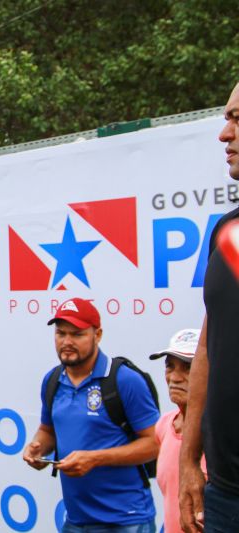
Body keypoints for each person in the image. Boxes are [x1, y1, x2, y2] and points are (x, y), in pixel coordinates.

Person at [22, 297, 159, 532]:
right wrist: (37, 448)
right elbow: (47, 430)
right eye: (60, 333)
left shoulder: (124, 380)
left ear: (98, 335)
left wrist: (95, 458)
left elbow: (155, 444)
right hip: (76, 520)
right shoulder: (53, 380)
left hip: (126, 519)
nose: (66, 341)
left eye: (77, 334)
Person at [179, 82, 239, 533]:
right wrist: (188, 460)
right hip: (223, 493)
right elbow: (208, 345)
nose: (224, 133)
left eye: (238, 119)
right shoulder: (228, 230)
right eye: (226, 118)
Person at [149, 329, 206, 533]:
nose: (174, 377)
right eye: (169, 366)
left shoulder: (223, 433)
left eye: (187, 367)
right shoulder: (164, 425)